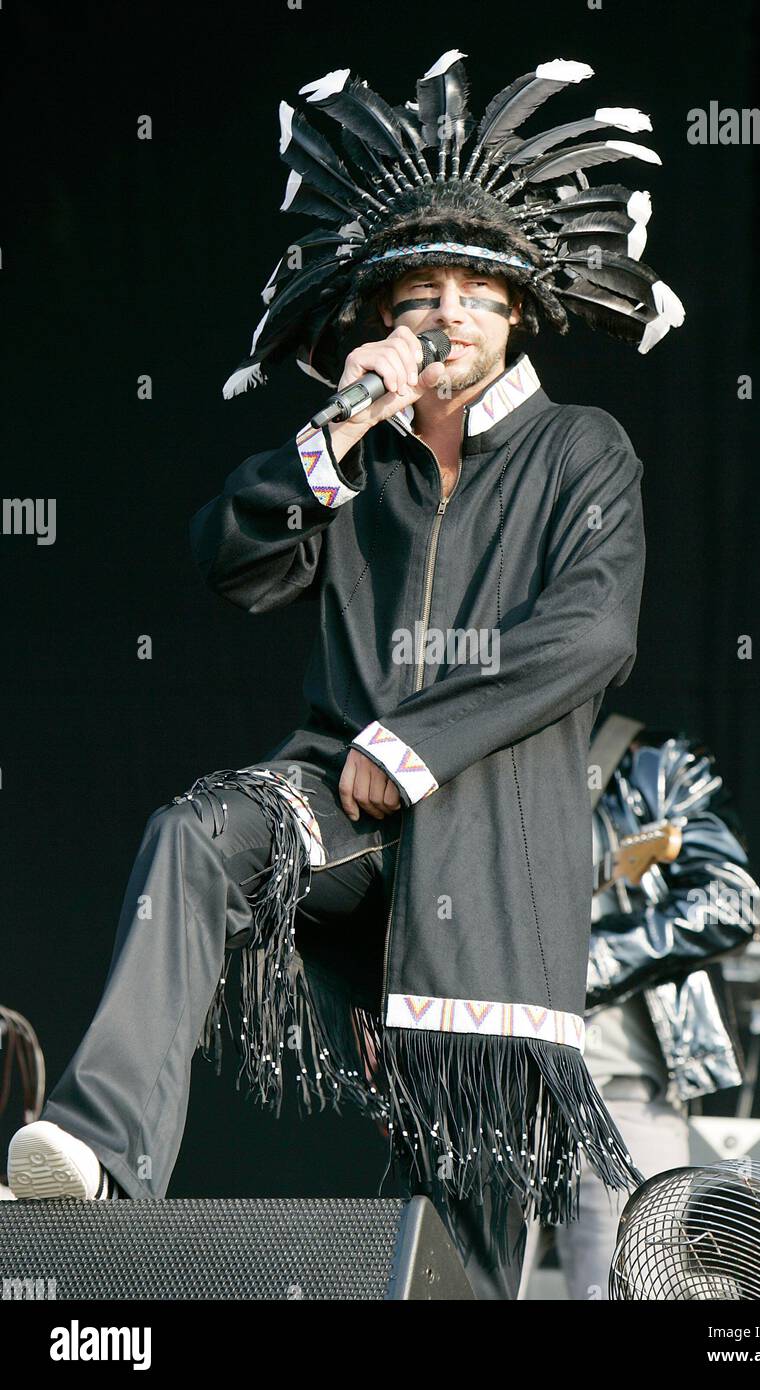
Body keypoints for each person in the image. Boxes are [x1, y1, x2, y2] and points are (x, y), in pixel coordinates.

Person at [7, 52, 684, 1299]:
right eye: (420, 296)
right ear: (383, 318)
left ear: (517, 311)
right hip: (344, 822)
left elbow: (590, 636)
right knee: (200, 832)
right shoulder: (355, 450)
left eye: (473, 294)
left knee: (468, 1221)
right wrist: (341, 424)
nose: (445, 316)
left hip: (485, 854)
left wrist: (412, 741)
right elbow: (228, 559)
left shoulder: (583, 449)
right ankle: (99, 1154)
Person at [520, 717, 760, 1298]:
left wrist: (577, 971)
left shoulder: (654, 768)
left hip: (622, 1095)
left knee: (637, 1287)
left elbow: (729, 901)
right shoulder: (463, 756)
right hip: (492, 1086)